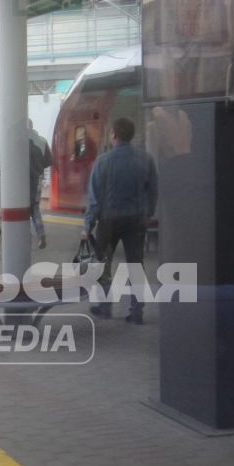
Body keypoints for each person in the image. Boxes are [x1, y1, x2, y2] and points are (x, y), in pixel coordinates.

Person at [84, 116, 159, 323]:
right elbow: (153, 191)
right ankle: (136, 312)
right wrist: (148, 214)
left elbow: (94, 198)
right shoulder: (146, 159)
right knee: (136, 264)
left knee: (104, 264)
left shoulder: (102, 161)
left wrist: (88, 225)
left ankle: (106, 307)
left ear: (114, 135)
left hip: (108, 220)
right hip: (136, 219)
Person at [26, 125, 50, 249]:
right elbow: (48, 160)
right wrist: (39, 168)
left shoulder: (21, 145)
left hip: (24, 183)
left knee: (24, 210)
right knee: (34, 208)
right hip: (38, 179)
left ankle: (27, 238)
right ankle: (41, 235)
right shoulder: (42, 141)